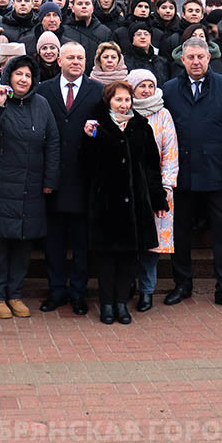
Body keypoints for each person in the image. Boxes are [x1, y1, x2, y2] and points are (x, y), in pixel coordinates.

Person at [162, 37, 222, 310]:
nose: (196, 62)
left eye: (201, 56)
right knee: (181, 234)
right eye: (191, 57)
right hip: (182, 175)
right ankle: (182, 284)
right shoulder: (170, 89)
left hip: (218, 175)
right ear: (182, 60)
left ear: (209, 58)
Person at [0, 56, 60, 319]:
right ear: (9, 75)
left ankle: (15, 294)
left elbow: (52, 143)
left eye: (28, 76)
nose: (23, 79)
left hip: (31, 186)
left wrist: (50, 180)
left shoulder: (42, 105)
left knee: (23, 244)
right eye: (18, 74)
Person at [81, 81, 165, 324]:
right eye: (119, 100)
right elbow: (86, 163)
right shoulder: (97, 126)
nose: (123, 104)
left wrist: (157, 196)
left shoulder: (140, 126)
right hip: (106, 202)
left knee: (129, 256)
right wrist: (89, 139)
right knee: (107, 258)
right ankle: (107, 304)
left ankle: (121, 304)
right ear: (109, 101)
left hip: (135, 202)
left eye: (127, 100)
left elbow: (151, 165)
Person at [35, 42, 103, 315]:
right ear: (59, 60)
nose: (76, 61)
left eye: (81, 58)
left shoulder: (98, 92)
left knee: (81, 242)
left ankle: (77, 292)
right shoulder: (44, 91)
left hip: (84, 178)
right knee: (54, 242)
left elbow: (104, 133)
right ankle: (56, 290)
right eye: (71, 57)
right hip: (52, 177)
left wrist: (94, 134)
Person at [125, 69, 179, 312]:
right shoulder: (123, 110)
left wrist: (167, 185)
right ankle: (126, 284)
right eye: (141, 86)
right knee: (128, 239)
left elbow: (171, 151)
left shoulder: (163, 114)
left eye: (150, 85)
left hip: (155, 187)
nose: (146, 90)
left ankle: (147, 290)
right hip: (127, 186)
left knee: (151, 244)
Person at [121, 21, 169, 86]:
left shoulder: (162, 61)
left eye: (146, 34)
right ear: (132, 38)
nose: (143, 37)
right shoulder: (125, 61)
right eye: (138, 34)